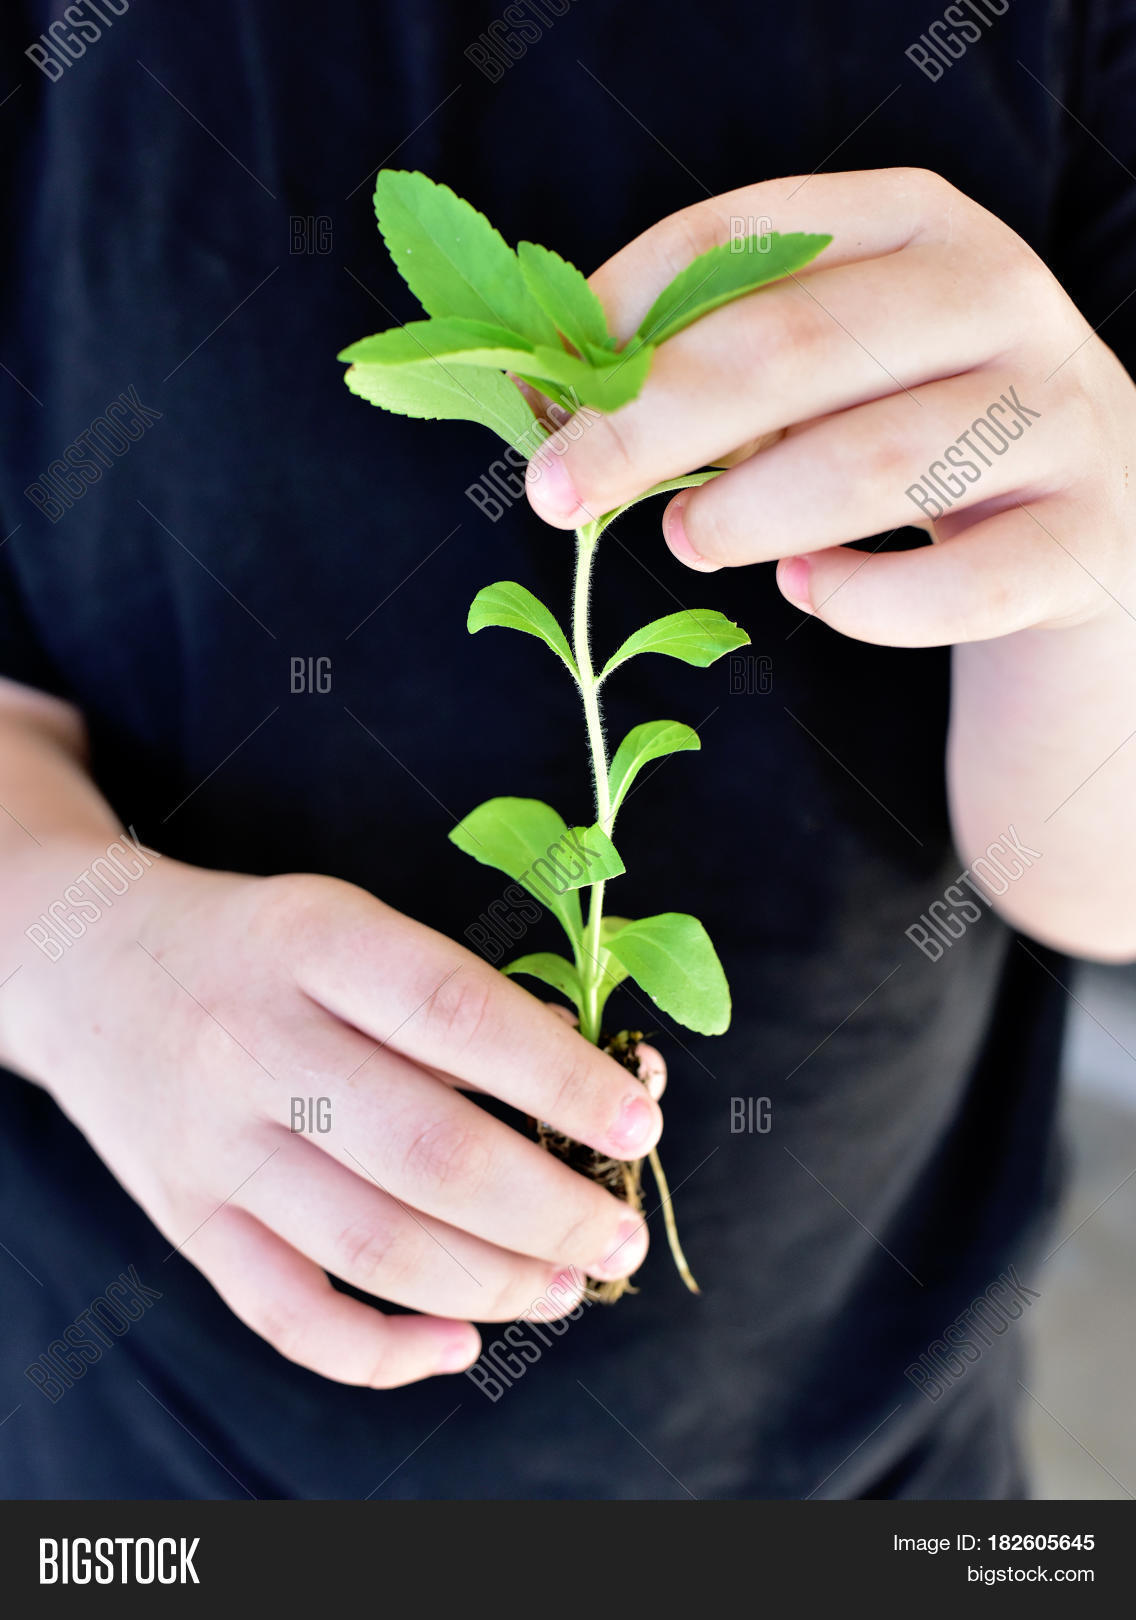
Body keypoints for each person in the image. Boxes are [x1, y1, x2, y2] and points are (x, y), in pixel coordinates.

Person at [1, 1, 1133, 1500]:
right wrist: (60, 942)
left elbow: (1099, 881)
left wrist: (1098, 553)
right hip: (137, 1463)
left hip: (868, 1465)